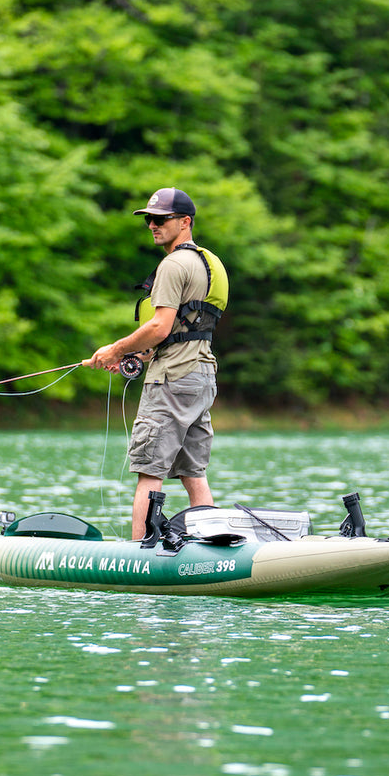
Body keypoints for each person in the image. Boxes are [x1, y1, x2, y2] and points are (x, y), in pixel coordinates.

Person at [84, 188, 228, 540]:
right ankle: (210, 545)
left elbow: (159, 326)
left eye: (161, 219)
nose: (152, 224)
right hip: (201, 376)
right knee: (194, 472)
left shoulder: (173, 264)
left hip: (172, 379)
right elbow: (184, 330)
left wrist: (116, 350)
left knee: (149, 471)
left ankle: (139, 554)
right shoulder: (209, 263)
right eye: (149, 218)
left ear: (185, 221)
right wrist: (139, 355)